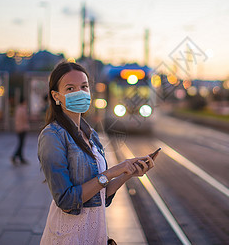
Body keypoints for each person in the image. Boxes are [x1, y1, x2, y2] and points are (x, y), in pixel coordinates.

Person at [38, 62, 156, 244]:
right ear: (56, 96)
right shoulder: (52, 136)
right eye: (70, 88)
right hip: (69, 237)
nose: (80, 92)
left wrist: (127, 172)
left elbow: (101, 195)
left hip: (95, 235)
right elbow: (67, 201)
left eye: (84, 87)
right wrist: (110, 173)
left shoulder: (90, 135)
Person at [11, 97, 30, 164]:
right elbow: (25, 119)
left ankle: (20, 157)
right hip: (22, 128)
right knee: (21, 144)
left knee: (20, 143)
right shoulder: (23, 109)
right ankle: (15, 156)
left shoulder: (18, 109)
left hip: (18, 128)